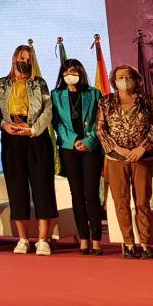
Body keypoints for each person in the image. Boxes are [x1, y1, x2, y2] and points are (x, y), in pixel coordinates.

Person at [0, 45, 57, 256]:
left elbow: (48, 110)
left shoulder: (40, 83)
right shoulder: (0, 84)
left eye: (28, 59)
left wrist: (33, 129)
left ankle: (43, 239)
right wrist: (5, 125)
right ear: (13, 59)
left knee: (42, 188)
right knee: (16, 188)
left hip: (36, 138)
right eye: (21, 58)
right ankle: (22, 239)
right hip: (11, 140)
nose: (24, 62)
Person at [97, 64, 153, 258]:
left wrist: (142, 148)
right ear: (114, 81)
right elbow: (100, 129)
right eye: (119, 77)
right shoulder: (106, 102)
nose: (124, 80)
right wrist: (118, 149)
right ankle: (129, 243)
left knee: (142, 201)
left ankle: (145, 243)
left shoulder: (147, 101)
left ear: (136, 79)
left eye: (127, 76)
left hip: (142, 157)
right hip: (116, 158)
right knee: (121, 201)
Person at [50, 59, 104, 255]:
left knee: (91, 194)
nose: (69, 74)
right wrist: (73, 140)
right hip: (68, 148)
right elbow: (57, 123)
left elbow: (101, 121)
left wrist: (88, 141)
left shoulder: (94, 93)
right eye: (66, 71)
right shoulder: (56, 95)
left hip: (92, 148)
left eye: (73, 71)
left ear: (80, 72)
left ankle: (97, 238)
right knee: (77, 194)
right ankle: (83, 238)